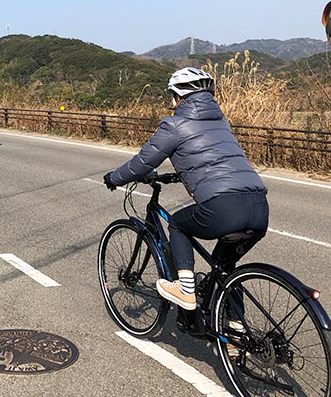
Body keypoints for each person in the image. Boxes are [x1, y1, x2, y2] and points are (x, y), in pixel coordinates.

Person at [103, 67, 269, 311]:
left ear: (177, 97)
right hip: (259, 207)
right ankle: (236, 332)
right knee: (224, 270)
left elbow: (143, 163)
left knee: (177, 224)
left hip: (223, 207)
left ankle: (185, 289)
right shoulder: (221, 123)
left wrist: (114, 178)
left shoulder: (175, 125)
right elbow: (214, 161)